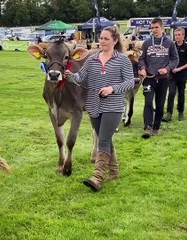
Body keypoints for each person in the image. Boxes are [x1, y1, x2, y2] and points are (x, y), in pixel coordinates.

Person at [64, 26, 134, 192]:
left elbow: (130, 82)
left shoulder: (122, 60)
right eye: (100, 38)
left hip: (113, 105)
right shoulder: (92, 59)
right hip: (94, 105)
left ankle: (97, 176)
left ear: (115, 41)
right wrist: (69, 75)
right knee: (106, 139)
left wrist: (112, 88)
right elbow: (80, 78)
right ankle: (114, 171)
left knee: (102, 140)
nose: (102, 41)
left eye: (106, 39)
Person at [138, 17, 179, 138]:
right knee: (148, 101)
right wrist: (142, 68)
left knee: (160, 104)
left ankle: (156, 127)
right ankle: (147, 127)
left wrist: (167, 68)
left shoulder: (169, 43)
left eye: (156, 27)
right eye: (152, 28)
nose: (154, 30)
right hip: (149, 78)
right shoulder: (146, 43)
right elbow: (141, 59)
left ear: (162, 28)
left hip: (163, 79)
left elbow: (175, 59)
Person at [162, 27, 187, 122]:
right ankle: (169, 114)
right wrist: (170, 68)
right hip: (172, 74)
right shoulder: (172, 46)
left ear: (183, 36)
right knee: (171, 93)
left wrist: (179, 68)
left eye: (179, 35)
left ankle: (181, 112)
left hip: (182, 74)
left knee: (181, 93)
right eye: (176, 35)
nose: (177, 37)